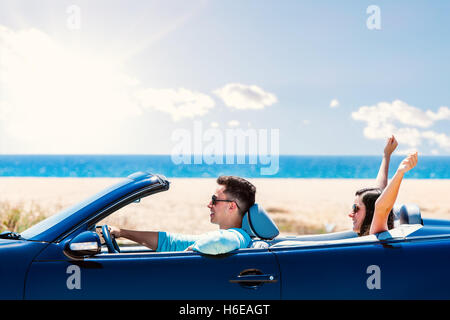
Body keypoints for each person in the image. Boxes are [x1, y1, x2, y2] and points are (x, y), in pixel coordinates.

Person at [107, 175, 255, 255]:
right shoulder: (236, 236)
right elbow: (170, 242)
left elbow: (220, 241)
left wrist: (189, 252)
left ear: (231, 206)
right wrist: (122, 232)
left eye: (214, 200)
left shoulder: (237, 236)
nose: (209, 204)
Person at [349, 135, 418, 236]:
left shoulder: (375, 234)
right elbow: (379, 192)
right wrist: (387, 154)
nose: (350, 214)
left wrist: (400, 173)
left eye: (356, 208)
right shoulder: (370, 235)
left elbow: (381, 207)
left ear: (371, 212)